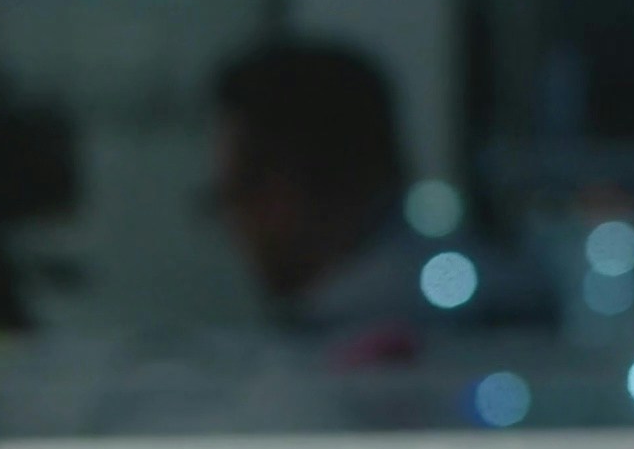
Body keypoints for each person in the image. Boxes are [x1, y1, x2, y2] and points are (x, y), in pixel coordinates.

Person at [208, 40, 549, 348]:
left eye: (234, 193)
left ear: (287, 188)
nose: (232, 224)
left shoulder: (348, 335)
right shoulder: (508, 292)